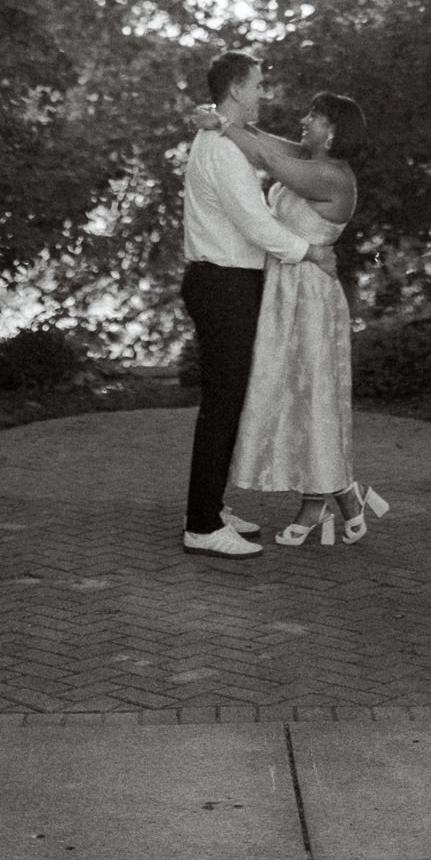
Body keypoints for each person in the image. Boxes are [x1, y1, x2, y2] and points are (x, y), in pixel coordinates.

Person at [195, 89, 388, 548]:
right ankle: (335, 495)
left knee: (315, 397)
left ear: (335, 130)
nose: (305, 120)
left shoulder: (332, 178)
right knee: (292, 397)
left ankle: (328, 496)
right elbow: (263, 138)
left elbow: (266, 158)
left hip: (311, 299)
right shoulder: (308, 157)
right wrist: (222, 116)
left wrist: (222, 127)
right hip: (284, 293)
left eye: (315, 117)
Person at [181, 50, 340, 557]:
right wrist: (311, 252)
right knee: (222, 405)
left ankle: (211, 506)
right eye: (256, 85)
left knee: (228, 401)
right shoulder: (223, 149)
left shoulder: (225, 139)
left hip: (226, 282)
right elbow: (256, 225)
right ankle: (202, 525)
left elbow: (279, 152)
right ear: (234, 89)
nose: (262, 93)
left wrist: (226, 124)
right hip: (223, 283)